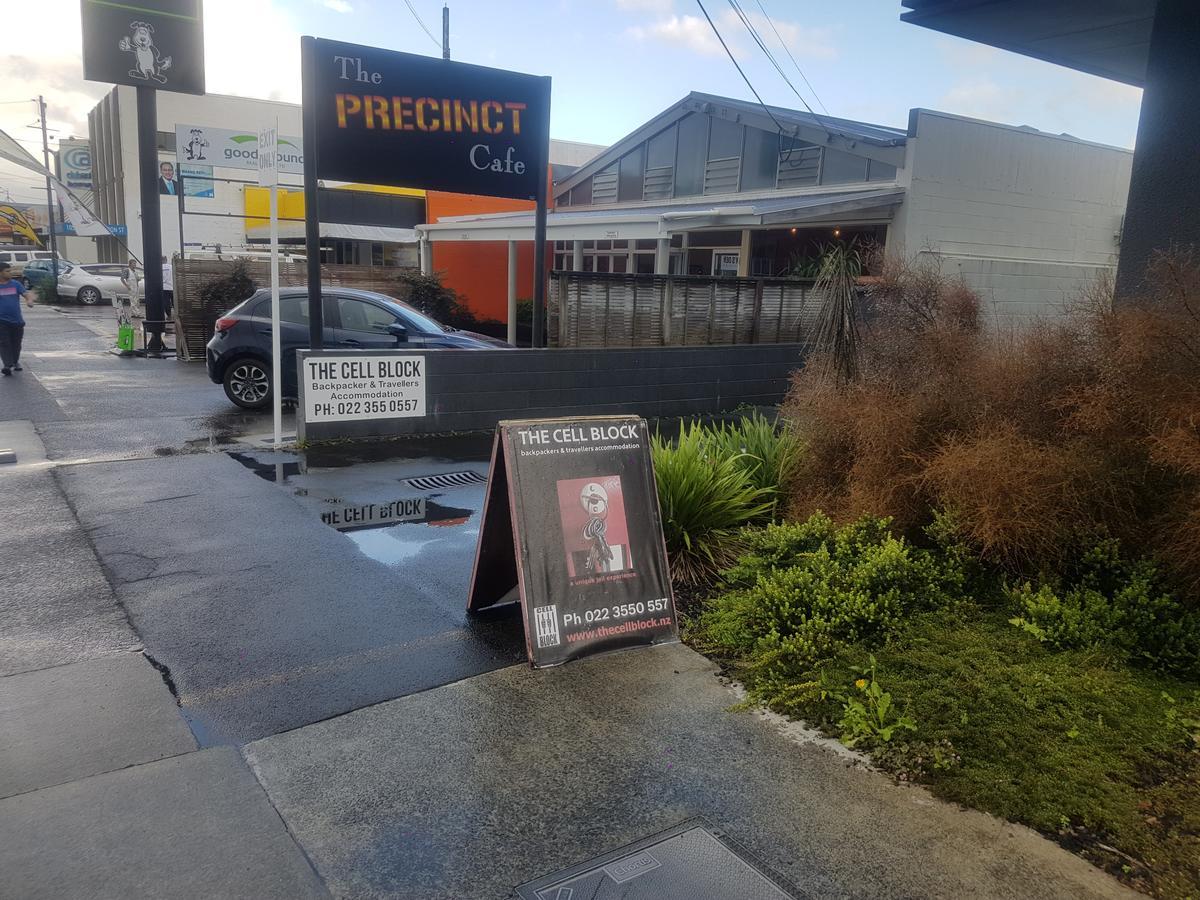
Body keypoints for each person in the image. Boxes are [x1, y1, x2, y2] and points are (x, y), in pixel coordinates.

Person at [0, 262, 34, 376]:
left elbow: (26, 294)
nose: (10, 273)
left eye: (10, 271)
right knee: (4, 343)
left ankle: (15, 361)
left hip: (17, 320)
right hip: (2, 321)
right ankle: (7, 365)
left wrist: (29, 300)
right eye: (7, 271)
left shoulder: (15, 284)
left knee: (16, 343)